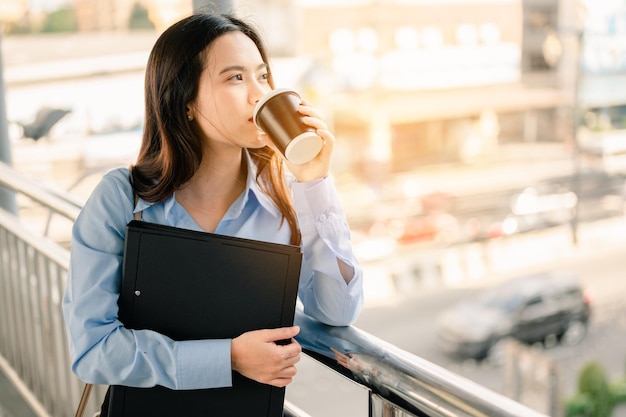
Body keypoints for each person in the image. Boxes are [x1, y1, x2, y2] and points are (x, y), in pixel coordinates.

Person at [62, 11, 364, 411]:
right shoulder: (123, 199)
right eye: (235, 77)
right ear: (185, 100)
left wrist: (314, 184)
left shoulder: (287, 200)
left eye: (262, 75)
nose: (259, 94)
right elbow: (92, 349)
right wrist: (229, 358)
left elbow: (337, 311)